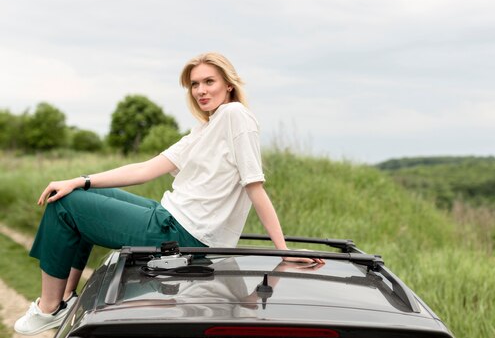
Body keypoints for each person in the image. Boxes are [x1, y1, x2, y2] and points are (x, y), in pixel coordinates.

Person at [14, 52, 323, 335]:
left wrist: (283, 251)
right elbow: (146, 169)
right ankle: (65, 300)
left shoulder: (235, 117)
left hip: (183, 234)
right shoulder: (205, 128)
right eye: (194, 84)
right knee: (72, 195)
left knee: (66, 206)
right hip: (169, 218)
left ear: (228, 85)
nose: (200, 90)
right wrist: (80, 179)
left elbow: (255, 187)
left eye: (208, 82)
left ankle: (49, 308)